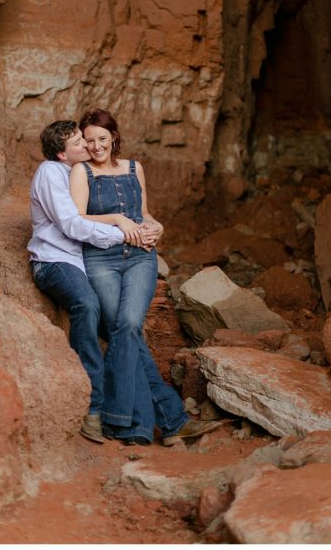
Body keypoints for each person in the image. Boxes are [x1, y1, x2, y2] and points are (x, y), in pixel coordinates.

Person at [70, 108, 221, 446]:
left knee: (128, 326)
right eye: (90, 140)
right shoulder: (81, 172)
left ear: (115, 138)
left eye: (103, 139)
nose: (96, 146)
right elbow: (79, 218)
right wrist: (120, 220)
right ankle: (168, 421)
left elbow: (145, 213)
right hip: (101, 260)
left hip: (140, 257)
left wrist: (156, 226)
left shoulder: (136, 168)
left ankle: (123, 422)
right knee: (125, 330)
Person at [28, 119, 157, 443]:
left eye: (89, 141)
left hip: (83, 262)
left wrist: (147, 228)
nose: (88, 146)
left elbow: (142, 212)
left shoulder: (85, 171)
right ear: (61, 154)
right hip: (54, 261)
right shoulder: (50, 173)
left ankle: (158, 419)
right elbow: (73, 224)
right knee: (88, 306)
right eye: (79, 143)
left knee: (125, 330)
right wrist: (124, 232)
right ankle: (94, 407)